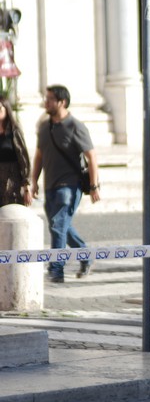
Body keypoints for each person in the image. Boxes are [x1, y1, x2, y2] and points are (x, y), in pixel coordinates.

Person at [31, 85, 100, 283]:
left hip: (69, 186)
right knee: (60, 226)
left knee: (58, 225)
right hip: (50, 185)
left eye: (50, 99)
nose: (46, 102)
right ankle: (85, 255)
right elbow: (39, 156)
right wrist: (33, 181)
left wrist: (94, 186)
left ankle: (56, 268)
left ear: (62, 102)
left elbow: (91, 156)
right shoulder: (44, 127)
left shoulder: (76, 126)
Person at [0, 96, 31, 207]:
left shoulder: (14, 131)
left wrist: (26, 186)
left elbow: (23, 157)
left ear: (6, 110)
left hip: (11, 182)